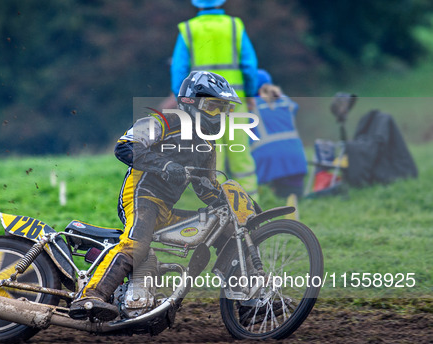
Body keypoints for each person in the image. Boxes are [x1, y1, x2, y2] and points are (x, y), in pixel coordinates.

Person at [69, 71, 241, 321]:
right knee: (136, 245)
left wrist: (235, 206)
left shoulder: (207, 142)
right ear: (190, 103)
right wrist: (164, 166)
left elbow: (206, 187)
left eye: (222, 109)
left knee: (223, 228)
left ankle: (249, 302)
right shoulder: (164, 121)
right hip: (141, 196)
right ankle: (90, 296)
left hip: (166, 210)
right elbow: (125, 146)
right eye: (212, 107)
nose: (217, 116)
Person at [171, 0, 259, 197]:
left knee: (212, 157)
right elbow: (250, 66)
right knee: (241, 156)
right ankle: (251, 210)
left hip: (201, 105)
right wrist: (251, 93)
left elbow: (178, 69)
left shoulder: (188, 29)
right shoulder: (235, 26)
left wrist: (182, 98)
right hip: (235, 102)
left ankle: (220, 211)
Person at [249, 69, 307, 198]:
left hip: (266, 161)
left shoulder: (249, 106)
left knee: (272, 203)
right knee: (295, 199)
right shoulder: (286, 101)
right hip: (296, 157)